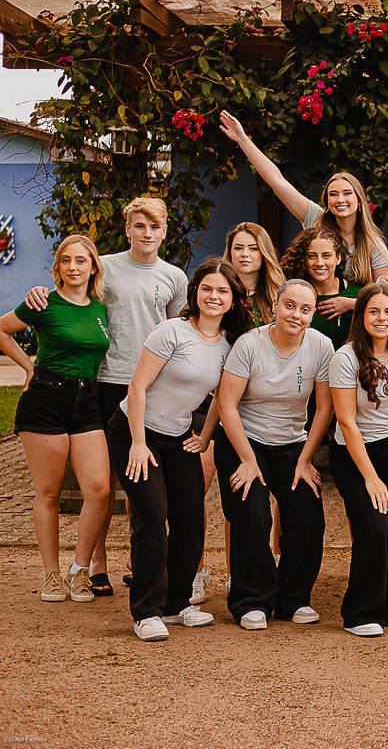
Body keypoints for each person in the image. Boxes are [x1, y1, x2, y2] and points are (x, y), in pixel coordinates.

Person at [24, 198, 188, 596]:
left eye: (154, 227)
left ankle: (138, 557)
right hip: (106, 380)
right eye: (139, 226)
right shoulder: (107, 266)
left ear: (164, 232)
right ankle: (97, 564)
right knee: (102, 481)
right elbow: (73, 296)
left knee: (140, 473)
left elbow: (179, 330)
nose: (147, 234)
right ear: (127, 228)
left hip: (150, 385)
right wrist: (40, 292)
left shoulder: (174, 277)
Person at [109, 258, 253, 640]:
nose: (214, 296)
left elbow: (223, 398)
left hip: (178, 437)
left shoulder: (230, 345)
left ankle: (176, 604)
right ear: (195, 292)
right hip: (134, 432)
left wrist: (204, 436)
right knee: (152, 517)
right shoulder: (171, 331)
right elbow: (136, 388)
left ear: (233, 299)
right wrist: (138, 444)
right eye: (207, 288)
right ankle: (146, 611)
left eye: (223, 290)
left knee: (190, 518)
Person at [215, 279, 334, 630]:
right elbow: (226, 404)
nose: (295, 314)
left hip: (291, 444)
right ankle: (251, 600)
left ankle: (292, 597)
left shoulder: (320, 346)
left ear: (312, 315)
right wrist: (248, 460)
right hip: (243, 440)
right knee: (252, 514)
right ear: (275, 307)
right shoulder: (249, 344)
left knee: (308, 516)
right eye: (289, 306)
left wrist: (306, 458)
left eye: (305, 309)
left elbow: (324, 409)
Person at [0, 236, 111, 603]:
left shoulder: (99, 308)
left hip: (87, 401)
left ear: (93, 266)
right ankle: (50, 575)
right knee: (47, 494)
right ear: (58, 266)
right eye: (66, 260)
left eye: (81, 261)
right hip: (46, 399)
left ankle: (79, 570)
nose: (74, 267)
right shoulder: (42, 302)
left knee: (98, 490)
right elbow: (1, 328)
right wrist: (27, 365)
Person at [329, 283, 388, 637]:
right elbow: (347, 423)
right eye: (373, 311)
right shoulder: (346, 358)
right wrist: (370, 477)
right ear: (361, 316)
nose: (381, 318)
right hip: (354, 453)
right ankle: (360, 611)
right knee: (373, 524)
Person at [219, 110, 388, 286]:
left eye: (347, 193)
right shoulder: (316, 220)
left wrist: (349, 304)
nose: (340, 199)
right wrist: (243, 139)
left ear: (360, 201)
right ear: (326, 202)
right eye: (333, 194)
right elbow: (277, 181)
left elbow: (381, 294)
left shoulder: (373, 244)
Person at [281, 227, 360, 347]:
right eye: (312, 256)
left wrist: (355, 304)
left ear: (338, 258)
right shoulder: (292, 295)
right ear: (304, 259)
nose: (319, 263)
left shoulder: (357, 294)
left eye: (326, 256)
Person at [224, 222, 285, 326]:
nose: (245, 254)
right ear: (230, 252)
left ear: (264, 252)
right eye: (238, 248)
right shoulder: (217, 292)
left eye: (253, 249)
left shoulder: (280, 294)